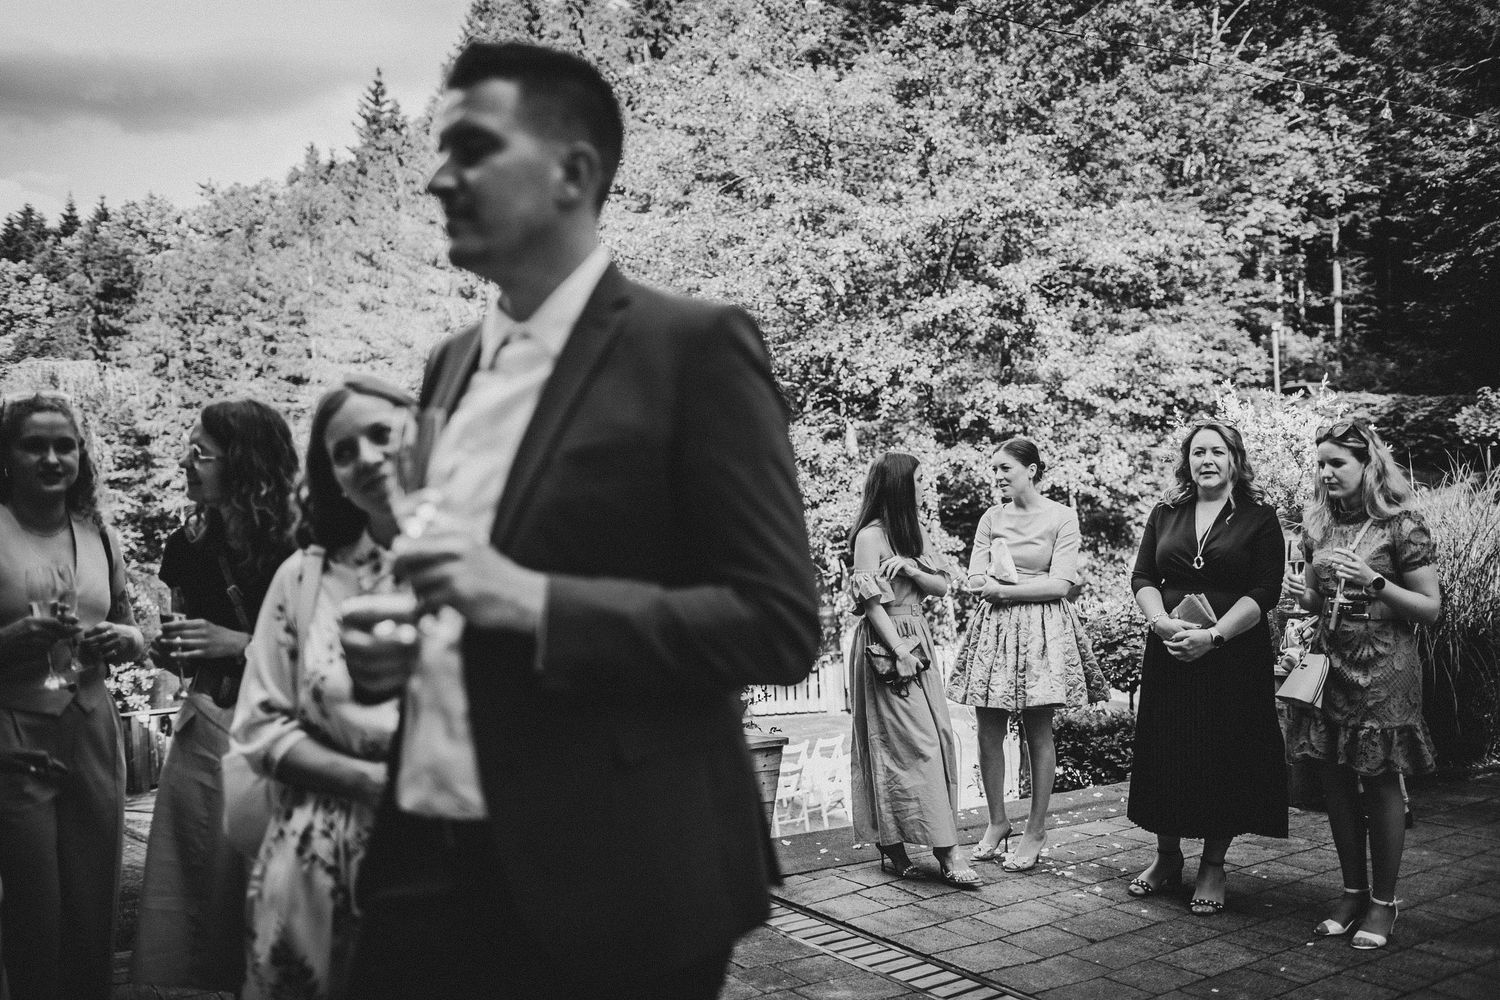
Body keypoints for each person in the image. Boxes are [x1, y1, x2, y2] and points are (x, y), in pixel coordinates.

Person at [339, 42, 819, 1000]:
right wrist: (407, 647)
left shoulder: (692, 346)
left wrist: (536, 603)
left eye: (472, 147)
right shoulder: (446, 365)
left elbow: (778, 623)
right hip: (425, 865)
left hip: (613, 888)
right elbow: (457, 573)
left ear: (574, 171)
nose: (438, 178)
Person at [230, 377, 407, 998]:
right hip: (316, 859)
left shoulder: (471, 562)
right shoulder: (303, 579)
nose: (366, 457)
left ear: (420, 435)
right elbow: (258, 723)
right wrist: (369, 783)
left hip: (444, 854)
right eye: (343, 451)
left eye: (381, 434)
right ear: (329, 475)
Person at [131, 399, 298, 991]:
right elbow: (181, 647)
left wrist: (237, 642)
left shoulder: (303, 544)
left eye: (201, 453)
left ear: (245, 461)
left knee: (272, 901)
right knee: (197, 895)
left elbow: (323, 653)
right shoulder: (187, 545)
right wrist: (161, 650)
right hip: (206, 727)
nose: (186, 461)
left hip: (281, 740)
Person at [0, 391, 144, 1000]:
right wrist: (11, 639)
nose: (52, 457)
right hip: (14, 730)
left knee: (93, 909)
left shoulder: (100, 537)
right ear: (7, 456)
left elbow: (139, 632)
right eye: (35, 445)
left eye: (65, 445)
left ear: (82, 456)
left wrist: (127, 638)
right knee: (34, 910)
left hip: (91, 726)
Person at [1283, 419, 1440, 950]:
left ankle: (1383, 903)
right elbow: (1315, 597)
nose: (1325, 473)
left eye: (1336, 463)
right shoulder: (1317, 525)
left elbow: (1430, 609)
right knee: (1332, 777)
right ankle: (1351, 893)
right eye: (1320, 464)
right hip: (1332, 662)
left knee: (1378, 780)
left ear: (1366, 466)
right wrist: (1298, 597)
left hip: (1386, 667)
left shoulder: (1402, 525)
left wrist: (1374, 581)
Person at [1125, 420, 1287, 915]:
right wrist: (1159, 622)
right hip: (1171, 650)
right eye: (1198, 452)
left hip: (1232, 656)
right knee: (1167, 749)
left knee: (1224, 752)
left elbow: (1266, 591)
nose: (1207, 460)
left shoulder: (1260, 518)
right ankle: (1167, 857)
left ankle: (1213, 865)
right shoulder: (1166, 511)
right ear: (1186, 459)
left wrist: (1213, 636)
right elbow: (1144, 574)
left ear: (1235, 459)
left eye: (1217, 451)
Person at [946, 438, 1103, 872]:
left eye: (1004, 468)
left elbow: (1061, 584)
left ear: (1031, 469)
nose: (997, 475)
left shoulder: (1061, 516)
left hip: (1042, 628)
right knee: (987, 726)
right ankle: (997, 823)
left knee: (1038, 729)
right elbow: (975, 577)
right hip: (995, 626)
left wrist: (1007, 589)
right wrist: (990, 584)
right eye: (993, 468)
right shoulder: (990, 518)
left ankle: (1035, 830)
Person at [847, 451, 980, 889]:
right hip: (887, 646)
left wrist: (909, 565)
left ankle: (896, 845)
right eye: (920, 481)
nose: (925, 487)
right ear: (900, 485)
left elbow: (942, 585)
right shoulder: (870, 536)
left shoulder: (913, 531)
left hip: (918, 639)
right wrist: (900, 647)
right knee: (910, 742)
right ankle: (948, 852)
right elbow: (870, 604)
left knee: (937, 737)